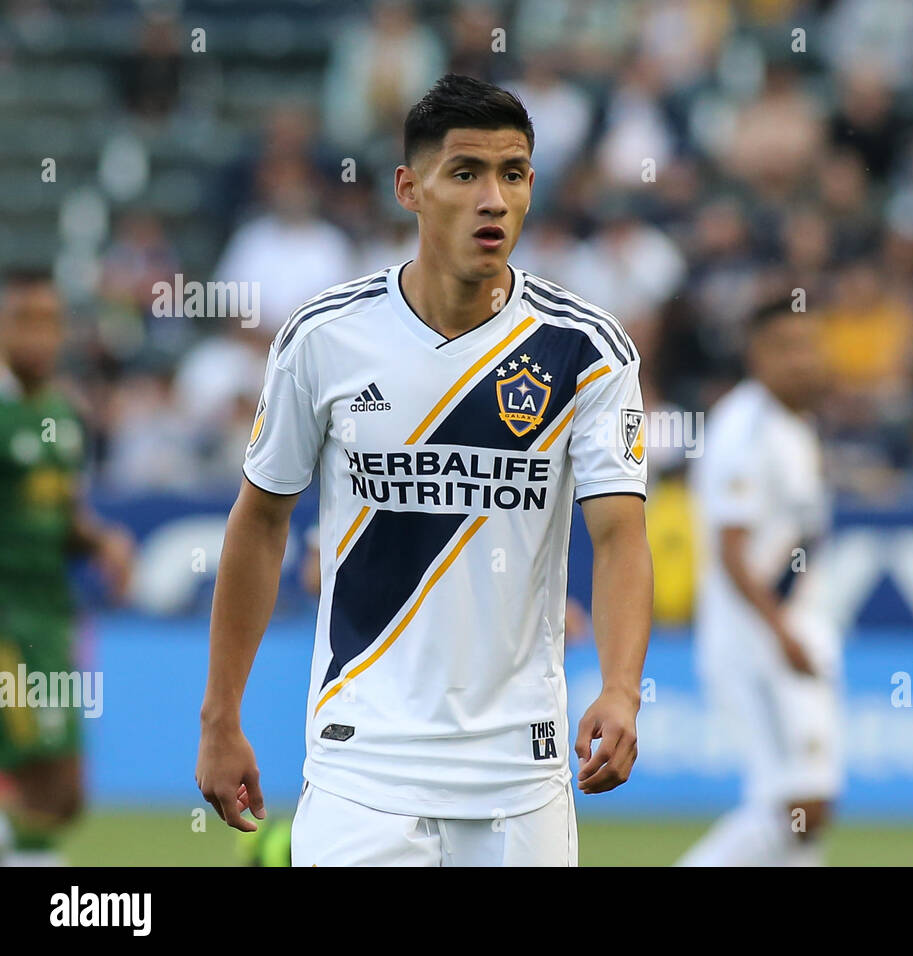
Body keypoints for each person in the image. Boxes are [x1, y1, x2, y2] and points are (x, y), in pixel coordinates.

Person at [196, 74, 653, 867]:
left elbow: (618, 538)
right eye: (467, 173)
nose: (494, 199)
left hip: (521, 773)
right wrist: (220, 717)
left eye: (513, 175)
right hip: (361, 760)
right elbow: (262, 521)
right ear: (410, 188)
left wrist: (619, 688)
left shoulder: (585, 350)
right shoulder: (324, 337)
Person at [678, 300, 844, 867]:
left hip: (792, 629)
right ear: (758, 355)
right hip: (759, 640)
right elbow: (731, 551)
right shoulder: (743, 427)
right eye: (787, 348)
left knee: (804, 821)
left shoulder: (794, 426)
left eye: (809, 345)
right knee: (799, 805)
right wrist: (782, 634)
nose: (803, 361)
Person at [0, 271, 134, 866]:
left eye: (51, 322)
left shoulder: (61, 416)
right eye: (25, 320)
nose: (42, 336)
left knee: (64, 795)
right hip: (6, 620)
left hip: (51, 616)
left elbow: (61, 511)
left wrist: (101, 541)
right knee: (42, 781)